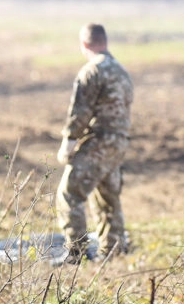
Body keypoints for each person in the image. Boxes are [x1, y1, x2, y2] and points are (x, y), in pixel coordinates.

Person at [57, 23, 133, 263]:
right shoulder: (122, 72)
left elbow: (80, 112)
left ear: (85, 45)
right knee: (107, 196)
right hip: (119, 142)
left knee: (69, 194)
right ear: (105, 42)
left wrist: (68, 143)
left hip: (98, 141)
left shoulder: (92, 71)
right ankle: (114, 251)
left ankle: (76, 253)